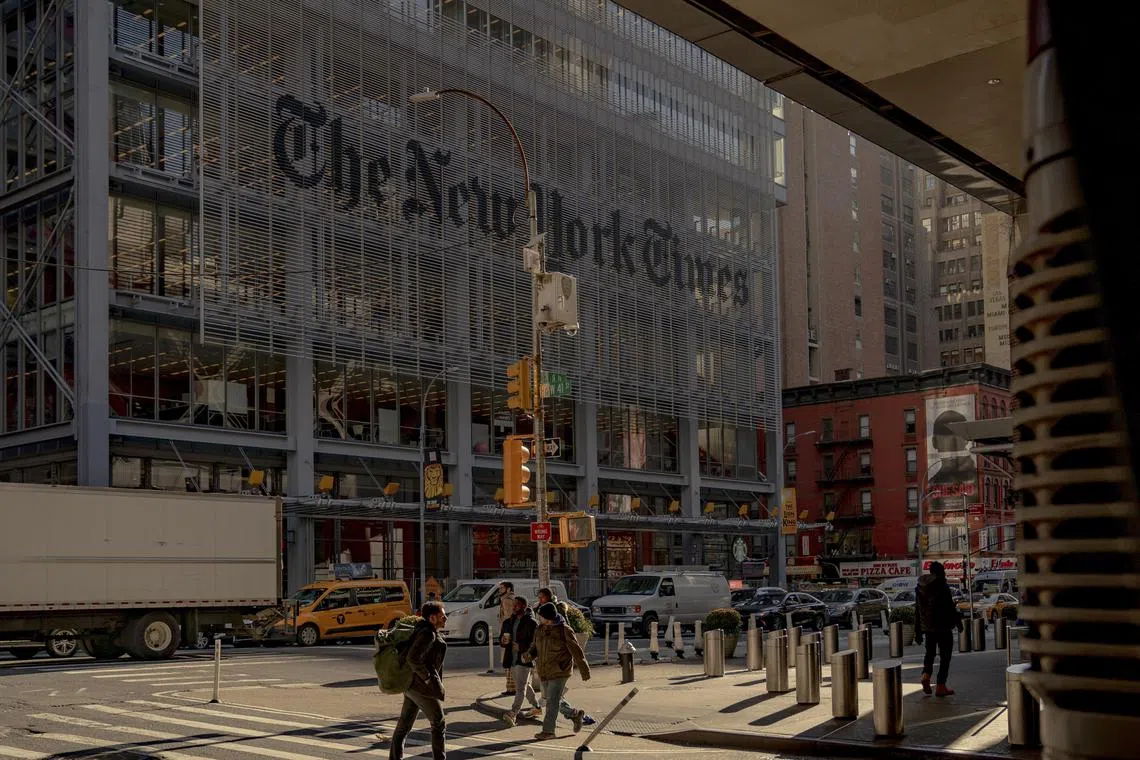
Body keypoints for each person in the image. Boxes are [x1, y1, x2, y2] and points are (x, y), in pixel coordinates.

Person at [390, 601, 448, 759]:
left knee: (404, 726)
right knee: (439, 722)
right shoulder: (427, 633)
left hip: (411, 684)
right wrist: (427, 677)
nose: (445, 618)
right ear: (432, 618)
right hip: (420, 686)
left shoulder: (425, 630)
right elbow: (413, 658)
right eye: (442, 615)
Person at [523, 602, 590, 740]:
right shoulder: (540, 629)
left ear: (548, 617)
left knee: (552, 701)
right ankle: (575, 714)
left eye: (540, 616)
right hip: (544, 670)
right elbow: (534, 646)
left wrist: (584, 670)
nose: (539, 618)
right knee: (550, 699)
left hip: (560, 670)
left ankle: (548, 731)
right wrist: (529, 655)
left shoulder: (564, 629)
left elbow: (576, 650)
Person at [915, 561, 962, 697]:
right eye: (943, 570)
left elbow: (917, 610)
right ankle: (941, 685)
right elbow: (950, 607)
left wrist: (918, 631)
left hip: (928, 628)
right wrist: (958, 623)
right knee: (945, 656)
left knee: (929, 654)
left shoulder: (920, 588)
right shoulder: (942, 586)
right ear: (940, 572)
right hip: (943, 627)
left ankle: (926, 675)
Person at [498, 596, 542, 726]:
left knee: (520, 688)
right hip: (511, 658)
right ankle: (537, 707)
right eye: (513, 605)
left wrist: (522, 647)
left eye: (516, 605)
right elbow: (502, 636)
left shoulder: (531, 622)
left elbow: (536, 643)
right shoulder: (508, 621)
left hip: (524, 659)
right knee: (523, 685)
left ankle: (513, 713)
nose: (513, 607)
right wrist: (503, 641)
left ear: (523, 606)